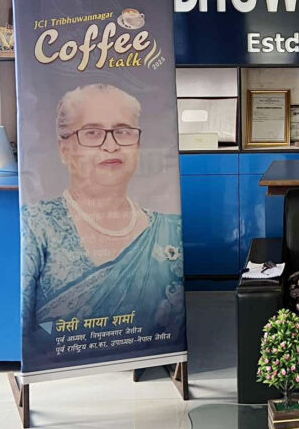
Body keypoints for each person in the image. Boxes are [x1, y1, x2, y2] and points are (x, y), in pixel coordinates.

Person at [21, 83, 185, 368]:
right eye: (92, 133)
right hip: (60, 365)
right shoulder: (37, 224)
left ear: (138, 146)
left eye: (123, 131)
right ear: (64, 148)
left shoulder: (169, 230)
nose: (111, 145)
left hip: (149, 355)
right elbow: (25, 327)